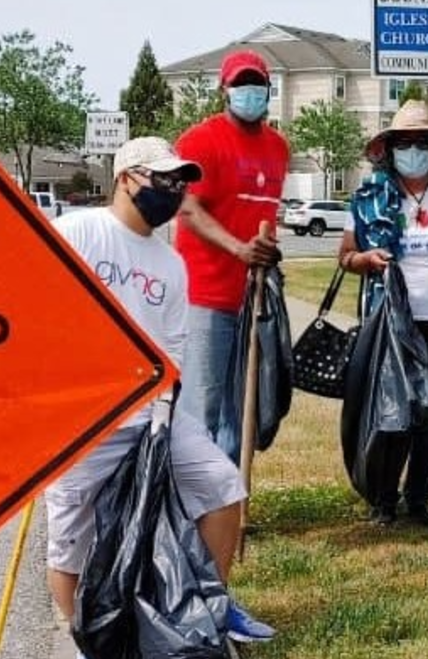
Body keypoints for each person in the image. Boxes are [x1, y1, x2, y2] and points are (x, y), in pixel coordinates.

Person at [44, 138, 274, 653]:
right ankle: (86, 639)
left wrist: (162, 411)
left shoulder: (170, 263)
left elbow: (171, 348)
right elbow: (33, 294)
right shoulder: (80, 231)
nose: (173, 190)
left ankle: (203, 604)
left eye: (180, 182)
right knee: (71, 542)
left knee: (222, 486)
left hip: (152, 415)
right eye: (162, 179)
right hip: (79, 421)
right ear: (126, 177)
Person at [174, 50, 290, 464]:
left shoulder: (278, 147)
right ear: (224, 90)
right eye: (240, 84)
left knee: (242, 408)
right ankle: (189, 510)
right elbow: (187, 208)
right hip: (207, 295)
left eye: (256, 84)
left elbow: (266, 215)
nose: (249, 92)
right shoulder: (200, 141)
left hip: (254, 298)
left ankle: (224, 505)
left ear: (268, 90)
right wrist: (238, 248)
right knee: (201, 407)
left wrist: (264, 254)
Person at [337, 99, 428, 528]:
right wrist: (364, 260)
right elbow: (344, 256)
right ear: (390, 148)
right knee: (391, 410)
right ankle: (383, 498)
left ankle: (419, 499)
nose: (414, 150)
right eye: (405, 142)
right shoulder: (369, 197)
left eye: (423, 142)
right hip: (387, 318)